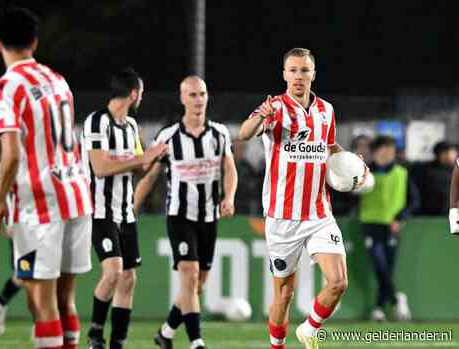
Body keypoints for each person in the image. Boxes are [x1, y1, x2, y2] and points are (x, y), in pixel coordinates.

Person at [237, 48, 370, 349]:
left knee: (338, 282)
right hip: (282, 217)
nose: (299, 76)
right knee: (284, 295)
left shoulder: (327, 110)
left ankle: (309, 328)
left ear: (313, 74)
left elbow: (331, 146)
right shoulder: (275, 108)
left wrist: (354, 167)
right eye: (293, 70)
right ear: (284, 74)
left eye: (304, 70)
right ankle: (277, 346)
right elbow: (245, 134)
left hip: (319, 213)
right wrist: (261, 116)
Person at [0, 7, 93, 349]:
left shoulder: (6, 88)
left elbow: (12, 154)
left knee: (42, 302)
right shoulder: (57, 80)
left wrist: (0, 199)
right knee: (66, 301)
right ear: (34, 42)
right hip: (76, 194)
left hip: (40, 202)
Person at [134, 76, 237, 349]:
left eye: (202, 94)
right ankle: (196, 342)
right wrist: (130, 210)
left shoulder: (220, 134)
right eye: (192, 95)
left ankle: (166, 333)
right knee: (189, 277)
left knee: (196, 285)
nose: (198, 100)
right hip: (180, 216)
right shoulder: (167, 137)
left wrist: (229, 196)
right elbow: (149, 177)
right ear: (182, 99)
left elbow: (229, 168)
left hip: (209, 217)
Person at [82, 68, 167, 349]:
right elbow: (101, 167)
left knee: (128, 278)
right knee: (113, 271)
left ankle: (117, 341)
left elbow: (141, 166)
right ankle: (95, 333)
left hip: (125, 212)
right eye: (141, 93)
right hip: (100, 211)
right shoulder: (97, 122)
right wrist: (140, 158)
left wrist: (155, 157)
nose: (141, 97)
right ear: (133, 93)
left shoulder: (131, 127)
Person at [358, 136, 412, 321]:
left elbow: (414, 200)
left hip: (391, 226)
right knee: (379, 265)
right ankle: (397, 299)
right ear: (375, 152)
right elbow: (350, 195)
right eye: (383, 149)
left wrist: (399, 218)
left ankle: (379, 308)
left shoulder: (402, 173)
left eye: (390, 149)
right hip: (370, 224)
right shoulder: (364, 172)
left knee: (387, 268)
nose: (387, 153)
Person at [413, 141, 456, 215]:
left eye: (452, 153)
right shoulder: (426, 170)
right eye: (445, 153)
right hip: (429, 215)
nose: (449, 156)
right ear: (437, 155)